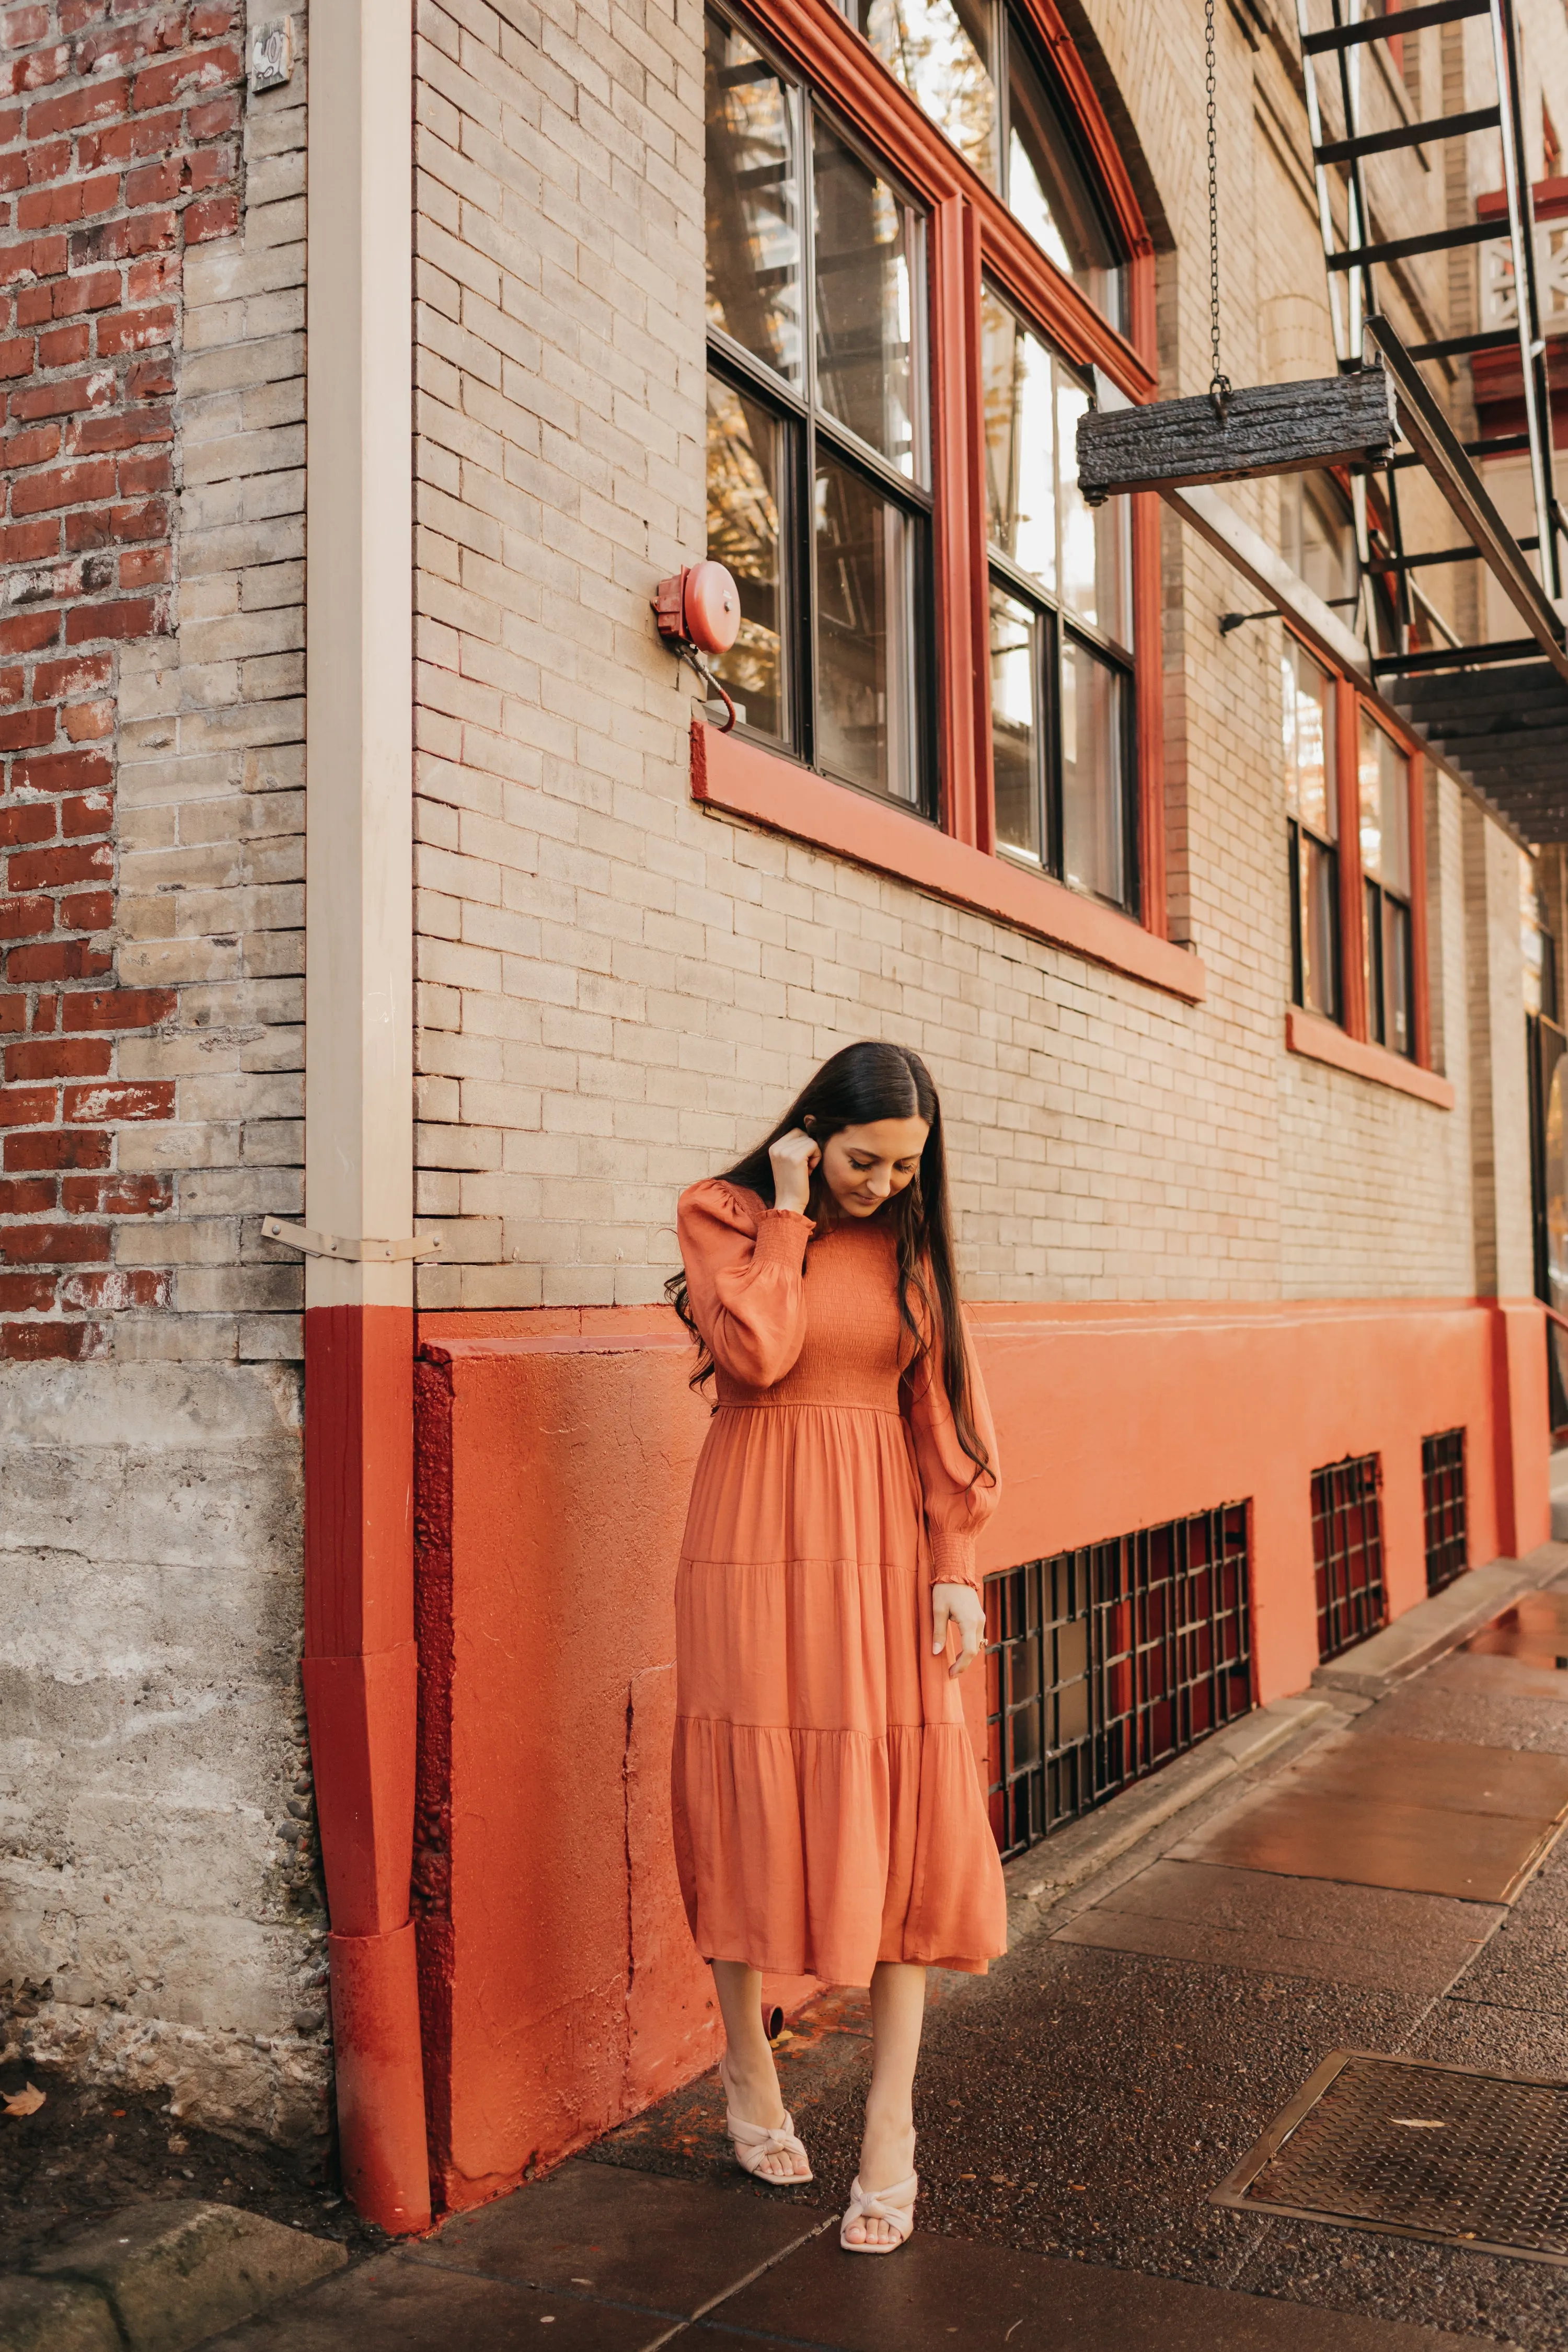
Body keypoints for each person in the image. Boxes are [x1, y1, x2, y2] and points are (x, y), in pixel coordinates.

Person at [666, 1039, 1007, 2255]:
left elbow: (940, 1406)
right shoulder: (729, 1215)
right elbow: (756, 1352)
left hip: (883, 1546)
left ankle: (889, 2135)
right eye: (866, 1159)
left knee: (908, 1823)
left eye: (907, 1166)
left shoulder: (914, 1243)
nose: (885, 1183)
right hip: (753, 1538)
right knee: (755, 1799)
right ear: (816, 1132)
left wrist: (957, 1570)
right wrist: (796, 1215)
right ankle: (747, 2067)